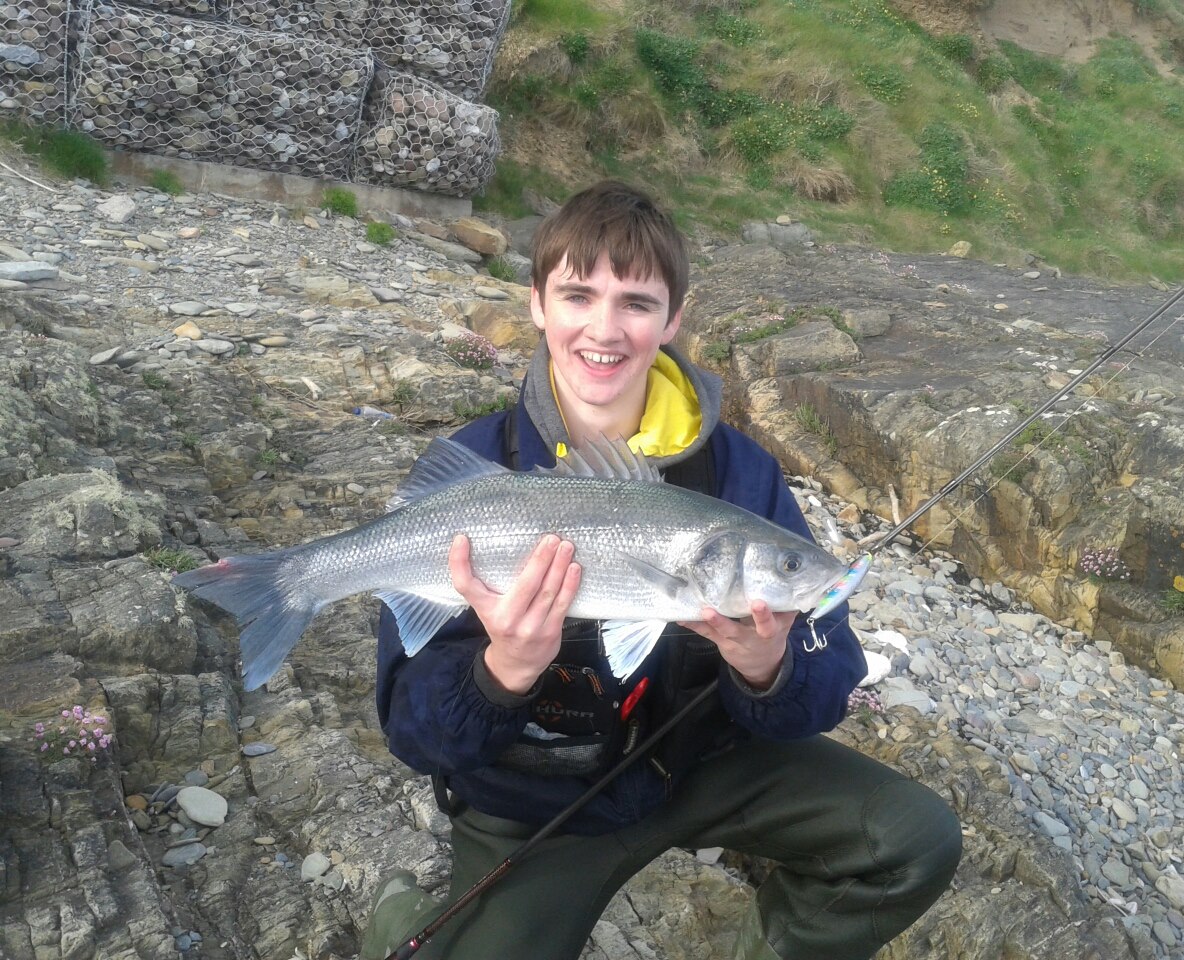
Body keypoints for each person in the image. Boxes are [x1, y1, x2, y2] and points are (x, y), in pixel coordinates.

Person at [363, 181, 962, 960]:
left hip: (702, 767)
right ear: (538, 303)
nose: (604, 330)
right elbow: (413, 730)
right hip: (539, 805)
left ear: (674, 318)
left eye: (638, 303)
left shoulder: (744, 473)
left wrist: (769, 668)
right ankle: (398, 920)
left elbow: (830, 675)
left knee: (913, 838)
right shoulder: (479, 469)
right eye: (578, 295)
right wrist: (500, 673)